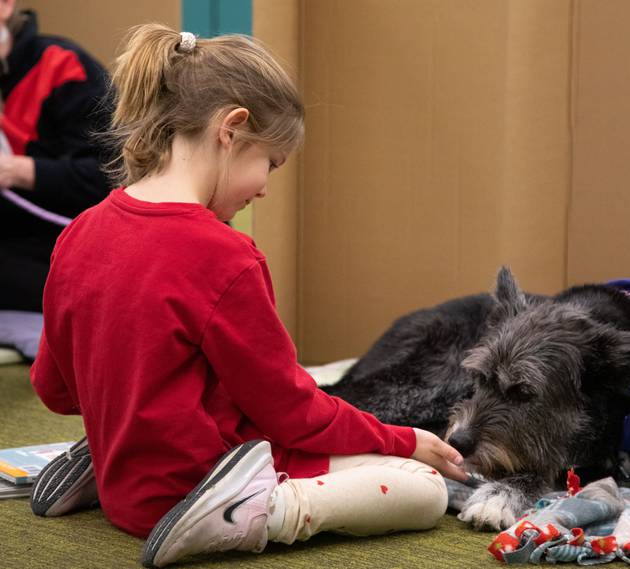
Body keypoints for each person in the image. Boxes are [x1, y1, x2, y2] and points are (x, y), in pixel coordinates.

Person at [28, 23, 466, 568]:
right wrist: (401, 440)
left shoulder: (81, 231)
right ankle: (247, 514)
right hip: (196, 487)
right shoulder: (224, 254)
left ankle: (107, 455)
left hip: (129, 483)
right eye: (270, 165)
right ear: (230, 129)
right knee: (423, 488)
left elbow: (55, 391)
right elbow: (292, 414)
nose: (262, 187)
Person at [0, 2, 112, 312]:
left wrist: (16, 171)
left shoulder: (62, 66)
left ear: (6, 6)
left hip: (69, 245)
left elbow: (114, 176)